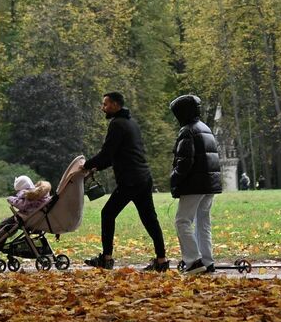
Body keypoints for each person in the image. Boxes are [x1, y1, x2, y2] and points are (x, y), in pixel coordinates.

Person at [83, 91, 170, 271]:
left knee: (107, 214)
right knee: (149, 218)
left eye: (105, 104)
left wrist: (85, 165)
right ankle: (161, 260)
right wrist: (95, 167)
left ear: (115, 105)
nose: (103, 108)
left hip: (130, 181)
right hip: (143, 178)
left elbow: (107, 153)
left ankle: (106, 259)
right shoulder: (131, 123)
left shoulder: (117, 124)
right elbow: (114, 156)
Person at [169, 93, 224, 272]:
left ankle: (193, 261)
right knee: (203, 222)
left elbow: (185, 162)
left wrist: (175, 178)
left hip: (194, 184)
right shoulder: (205, 127)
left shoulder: (187, 131)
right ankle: (207, 261)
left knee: (182, 221)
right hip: (209, 184)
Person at [0, 174, 53, 248]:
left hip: (29, 220)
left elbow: (22, 205)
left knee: (7, 223)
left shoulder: (29, 195)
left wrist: (11, 199)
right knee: (11, 225)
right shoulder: (44, 196)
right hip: (39, 221)